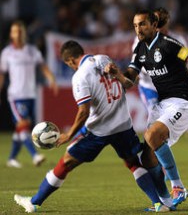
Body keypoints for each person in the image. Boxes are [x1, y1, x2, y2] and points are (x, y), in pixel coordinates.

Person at [14, 40, 175, 213]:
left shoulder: (80, 76)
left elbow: (83, 112)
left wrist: (68, 135)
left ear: (69, 61)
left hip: (98, 131)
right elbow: (123, 83)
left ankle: (34, 202)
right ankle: (159, 204)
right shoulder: (103, 59)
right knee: (133, 162)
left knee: (66, 162)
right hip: (123, 125)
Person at [105, 9, 188, 206]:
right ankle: (166, 202)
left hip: (182, 102)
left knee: (151, 136)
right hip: (163, 104)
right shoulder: (140, 49)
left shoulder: (168, 44)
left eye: (142, 24)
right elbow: (129, 81)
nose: (138, 29)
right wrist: (117, 74)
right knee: (147, 157)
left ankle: (178, 187)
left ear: (153, 24)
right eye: (135, 25)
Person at [0, 20, 58, 168]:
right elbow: (2, 75)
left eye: (20, 31)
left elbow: (43, 67)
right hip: (15, 95)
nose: (18, 34)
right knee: (23, 125)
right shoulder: (7, 53)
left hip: (30, 94)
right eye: (15, 31)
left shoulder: (32, 51)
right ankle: (35, 155)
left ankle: (12, 158)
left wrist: (51, 78)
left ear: (24, 33)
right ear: (11, 34)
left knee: (21, 129)